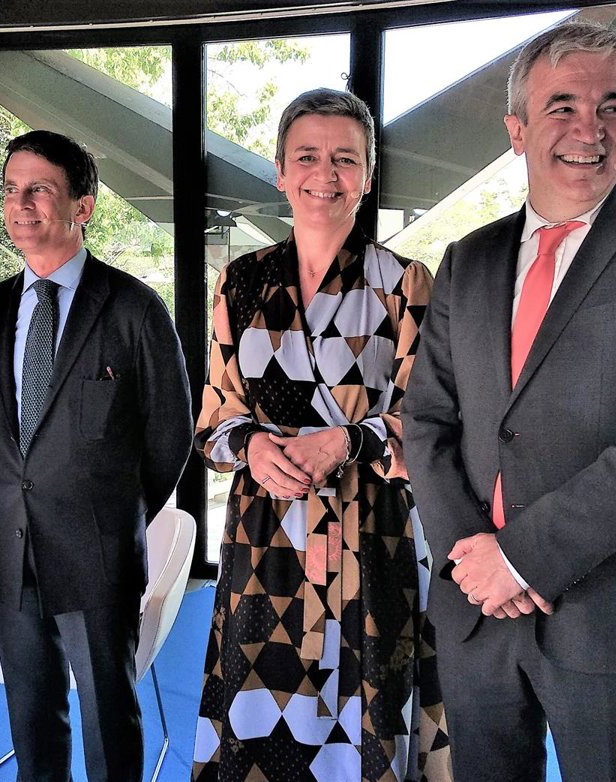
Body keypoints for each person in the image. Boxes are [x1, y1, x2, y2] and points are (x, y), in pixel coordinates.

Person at [403, 20, 616, 782]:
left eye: (612, 107)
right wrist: (474, 562)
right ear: (517, 130)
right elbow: (426, 421)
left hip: (611, 617)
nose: (591, 130)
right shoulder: (467, 260)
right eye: (563, 107)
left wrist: (520, 559)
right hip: (475, 612)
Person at [191, 88, 452, 782]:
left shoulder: (405, 284)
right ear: (280, 171)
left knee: (369, 713)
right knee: (262, 710)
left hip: (371, 535)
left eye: (345, 158)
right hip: (264, 539)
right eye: (307, 156)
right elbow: (214, 417)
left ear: (367, 176)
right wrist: (251, 445)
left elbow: (430, 419)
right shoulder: (240, 282)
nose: (325, 175)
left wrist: (348, 441)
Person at [0, 129, 193, 781]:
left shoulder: (133, 309)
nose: (21, 205)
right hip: (11, 547)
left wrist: (114, 513)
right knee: (32, 719)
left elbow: (171, 434)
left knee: (106, 719)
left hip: (96, 552)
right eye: (11, 190)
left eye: (39, 189)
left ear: (82, 207)